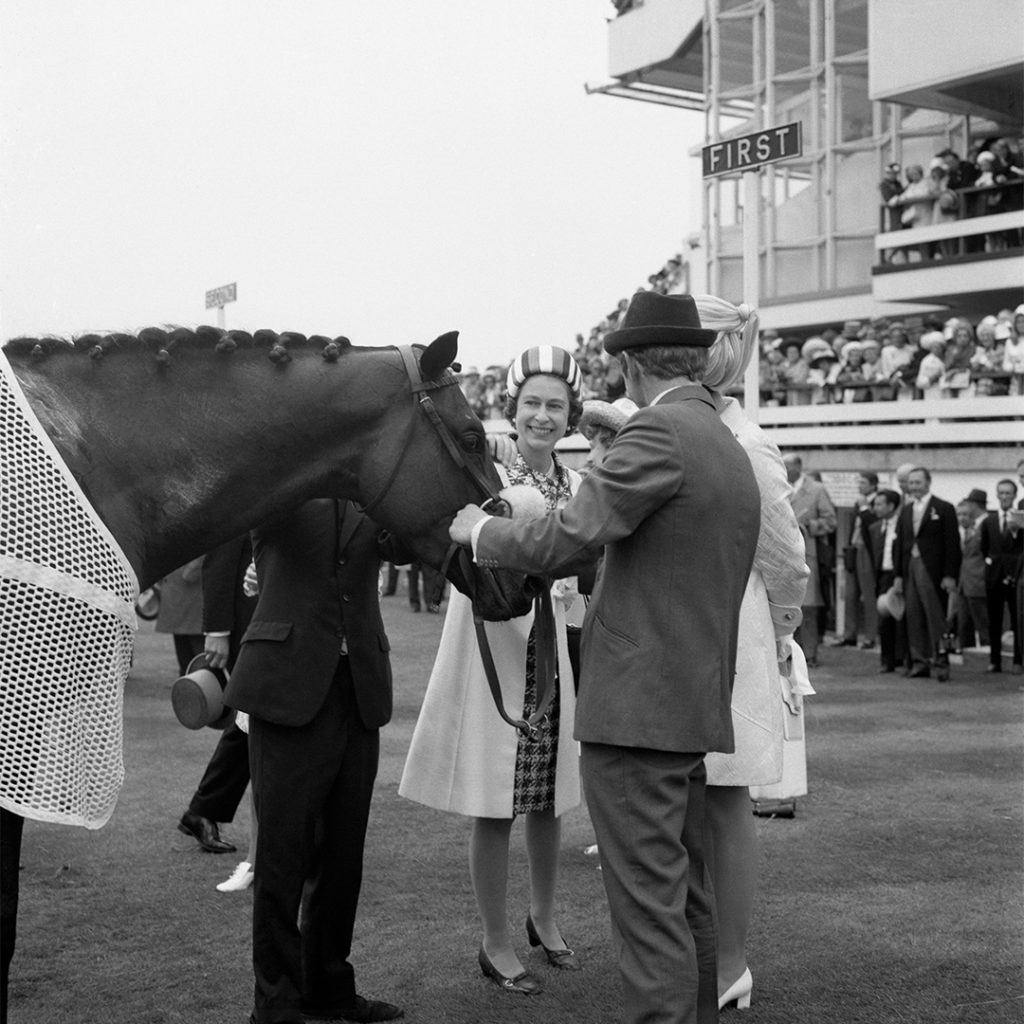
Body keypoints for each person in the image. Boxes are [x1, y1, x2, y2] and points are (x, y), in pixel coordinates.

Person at [449, 291, 762, 1024]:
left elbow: (568, 538)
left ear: (629, 364)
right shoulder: (722, 438)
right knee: (685, 905)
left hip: (638, 715)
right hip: (685, 707)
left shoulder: (659, 432)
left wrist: (478, 534)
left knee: (650, 919)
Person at [400, 346, 585, 996]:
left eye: (554, 404)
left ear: (570, 414)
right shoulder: (488, 475)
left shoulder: (581, 485)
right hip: (493, 646)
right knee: (497, 800)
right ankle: (495, 939)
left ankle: (543, 915)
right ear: (515, 408)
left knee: (551, 797)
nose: (542, 415)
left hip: (552, 648)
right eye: (532, 402)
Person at [224, 500, 407, 1024]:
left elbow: (405, 540)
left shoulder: (376, 486)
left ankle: (329, 988)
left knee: (343, 856)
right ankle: (277, 1005)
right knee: (282, 857)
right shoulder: (288, 475)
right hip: (287, 683)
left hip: (360, 686)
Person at [692, 294, 810, 1011]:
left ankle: (730, 959)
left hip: (733, 628)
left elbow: (786, 554)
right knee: (683, 796)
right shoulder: (667, 422)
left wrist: (783, 631)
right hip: (680, 625)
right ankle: (700, 950)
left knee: (726, 792)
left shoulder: (747, 438)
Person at [177, 536, 258, 858]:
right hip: (247, 624)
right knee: (252, 717)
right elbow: (220, 555)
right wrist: (218, 630)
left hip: (272, 620)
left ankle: (203, 810)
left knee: (251, 719)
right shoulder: (245, 486)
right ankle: (203, 809)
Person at [892, 467, 961, 681]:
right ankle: (919, 662)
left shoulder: (944, 508)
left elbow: (952, 544)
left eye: (917, 482)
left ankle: (941, 662)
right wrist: (898, 575)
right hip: (910, 567)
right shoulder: (906, 510)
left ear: (928, 482)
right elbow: (900, 544)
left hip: (933, 571)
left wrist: (950, 575)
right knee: (913, 616)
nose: (914, 487)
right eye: (910, 483)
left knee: (936, 618)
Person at [783, 454, 837, 667]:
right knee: (785, 605)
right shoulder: (778, 486)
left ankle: (810, 654)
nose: (783, 469)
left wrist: (807, 526)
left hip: (808, 555)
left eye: (786, 466)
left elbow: (831, 521)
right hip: (783, 557)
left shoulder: (816, 490)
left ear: (798, 467)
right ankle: (787, 651)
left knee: (809, 608)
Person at [979, 479, 1023, 673]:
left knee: (1017, 618)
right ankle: (994, 659)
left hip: (1014, 574)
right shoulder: (989, 520)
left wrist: (1015, 532)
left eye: (1008, 493)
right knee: (994, 619)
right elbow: (985, 548)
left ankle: (1018, 659)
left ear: (1014, 495)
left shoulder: (1019, 517)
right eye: (1001, 493)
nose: (1004, 497)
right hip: (994, 576)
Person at [154, 556, 205, 676]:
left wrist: (191, 570)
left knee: (199, 658)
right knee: (185, 657)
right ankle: (187, 688)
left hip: (192, 600)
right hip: (178, 596)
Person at [870, 489, 903, 672]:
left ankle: (901, 657)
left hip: (897, 574)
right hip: (882, 576)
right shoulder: (875, 528)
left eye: (880, 504)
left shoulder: (902, 525)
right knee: (884, 618)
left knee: (900, 616)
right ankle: (887, 660)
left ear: (891, 506)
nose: (876, 508)